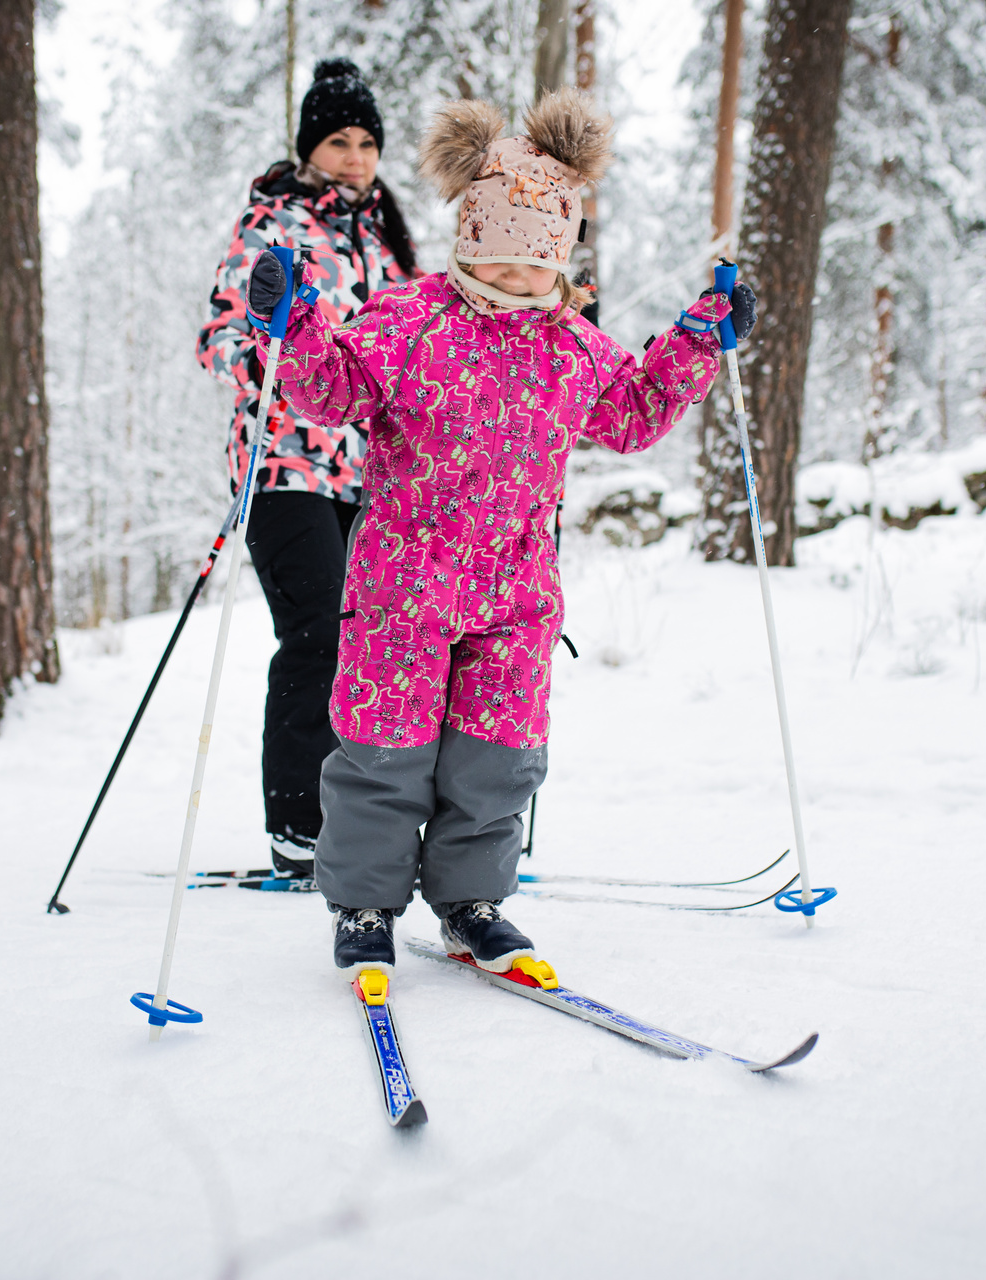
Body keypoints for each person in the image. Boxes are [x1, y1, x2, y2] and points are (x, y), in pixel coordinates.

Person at [244, 90, 757, 976]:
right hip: (404, 580)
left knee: (497, 753)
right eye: (504, 259)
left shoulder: (572, 345)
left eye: (540, 262)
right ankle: (364, 904)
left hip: (515, 591)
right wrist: (294, 327)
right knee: (383, 749)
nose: (522, 279)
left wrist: (695, 343)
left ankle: (470, 900)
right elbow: (334, 390)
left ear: (562, 255)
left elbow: (631, 414)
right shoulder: (411, 317)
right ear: (471, 243)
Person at [197, 58, 419, 879]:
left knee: (369, 643)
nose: (356, 157)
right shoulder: (272, 226)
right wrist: (268, 340)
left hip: (368, 472)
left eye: (367, 142)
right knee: (318, 628)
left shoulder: (386, 240)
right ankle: (299, 827)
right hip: (284, 462)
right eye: (339, 141)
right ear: (309, 147)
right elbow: (219, 340)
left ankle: (365, 822)